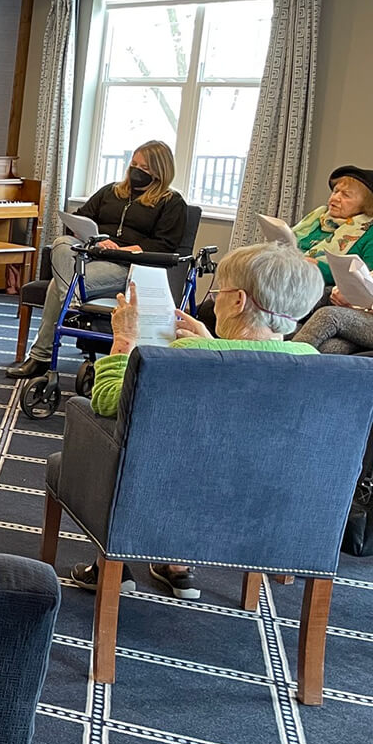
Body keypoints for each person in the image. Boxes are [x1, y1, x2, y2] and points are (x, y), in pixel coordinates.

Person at [77, 242, 323, 601]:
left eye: (220, 291)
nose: (216, 300)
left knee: (117, 437)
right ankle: (176, 565)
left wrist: (124, 339)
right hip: (262, 508)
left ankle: (110, 565)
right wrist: (211, 343)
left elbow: (108, 402)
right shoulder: (313, 361)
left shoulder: (185, 357)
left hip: (167, 498)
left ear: (238, 301)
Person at [7, 140, 188, 379]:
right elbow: (81, 219)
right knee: (61, 244)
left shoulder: (171, 202)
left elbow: (165, 245)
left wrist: (129, 249)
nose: (135, 171)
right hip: (92, 255)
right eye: (133, 164)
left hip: (130, 267)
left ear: (159, 171)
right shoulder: (111, 191)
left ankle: (41, 356)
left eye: (143, 168)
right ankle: (72, 298)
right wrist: (96, 238)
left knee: (56, 285)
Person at [290, 164, 373, 287]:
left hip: (318, 287)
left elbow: (366, 279)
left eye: (346, 195)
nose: (335, 198)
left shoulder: (368, 232)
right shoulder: (319, 217)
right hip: (289, 272)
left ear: (366, 204)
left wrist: (318, 267)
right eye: (335, 191)